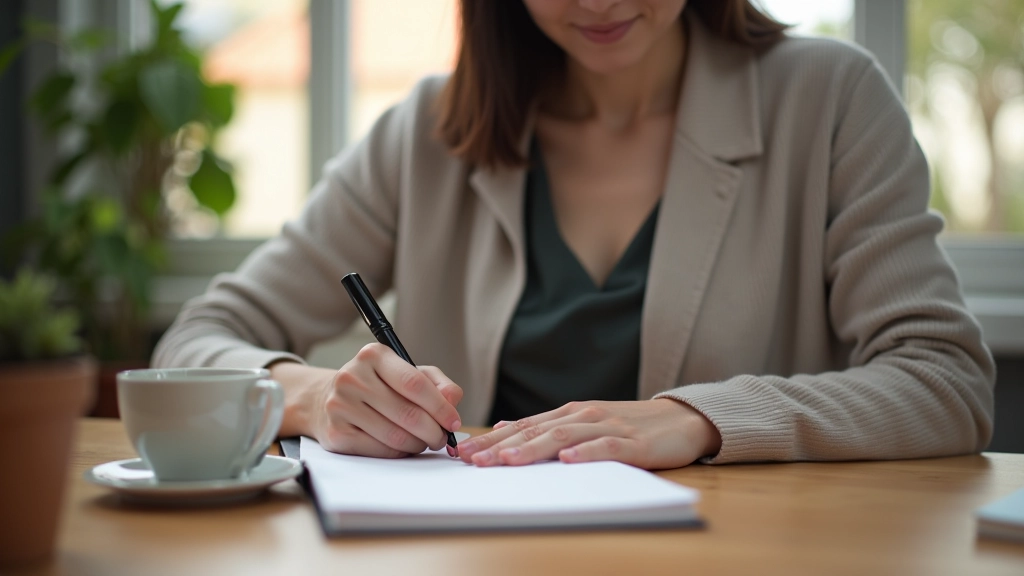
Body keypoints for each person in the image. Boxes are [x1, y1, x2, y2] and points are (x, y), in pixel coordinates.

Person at [153, 0, 995, 470]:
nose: (598, 1)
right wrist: (309, 396)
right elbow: (193, 342)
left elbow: (946, 383)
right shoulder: (427, 133)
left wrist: (702, 418)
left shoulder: (831, 100)